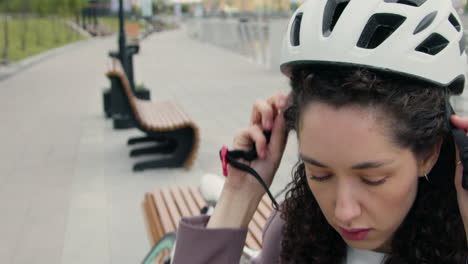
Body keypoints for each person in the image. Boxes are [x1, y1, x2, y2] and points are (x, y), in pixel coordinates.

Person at [172, 0, 468, 263]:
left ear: (429, 152)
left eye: (372, 179)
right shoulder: (293, 234)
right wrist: (240, 193)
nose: (344, 212)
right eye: (319, 174)